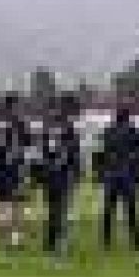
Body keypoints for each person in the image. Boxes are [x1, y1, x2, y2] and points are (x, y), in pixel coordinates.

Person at [93, 102, 139, 251]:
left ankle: (106, 240)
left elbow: (99, 154)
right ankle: (136, 241)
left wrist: (99, 174)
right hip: (128, 175)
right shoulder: (134, 132)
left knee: (108, 209)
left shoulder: (108, 132)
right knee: (131, 209)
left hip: (111, 174)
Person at [36, 95, 82, 256]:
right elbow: (72, 154)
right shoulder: (65, 130)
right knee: (59, 209)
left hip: (56, 174)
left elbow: (72, 153)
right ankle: (57, 243)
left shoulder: (52, 129)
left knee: (56, 209)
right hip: (59, 174)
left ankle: (53, 242)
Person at [0, 92, 32, 247]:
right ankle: (13, 234)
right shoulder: (18, 122)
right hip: (12, 166)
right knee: (14, 201)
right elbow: (28, 143)